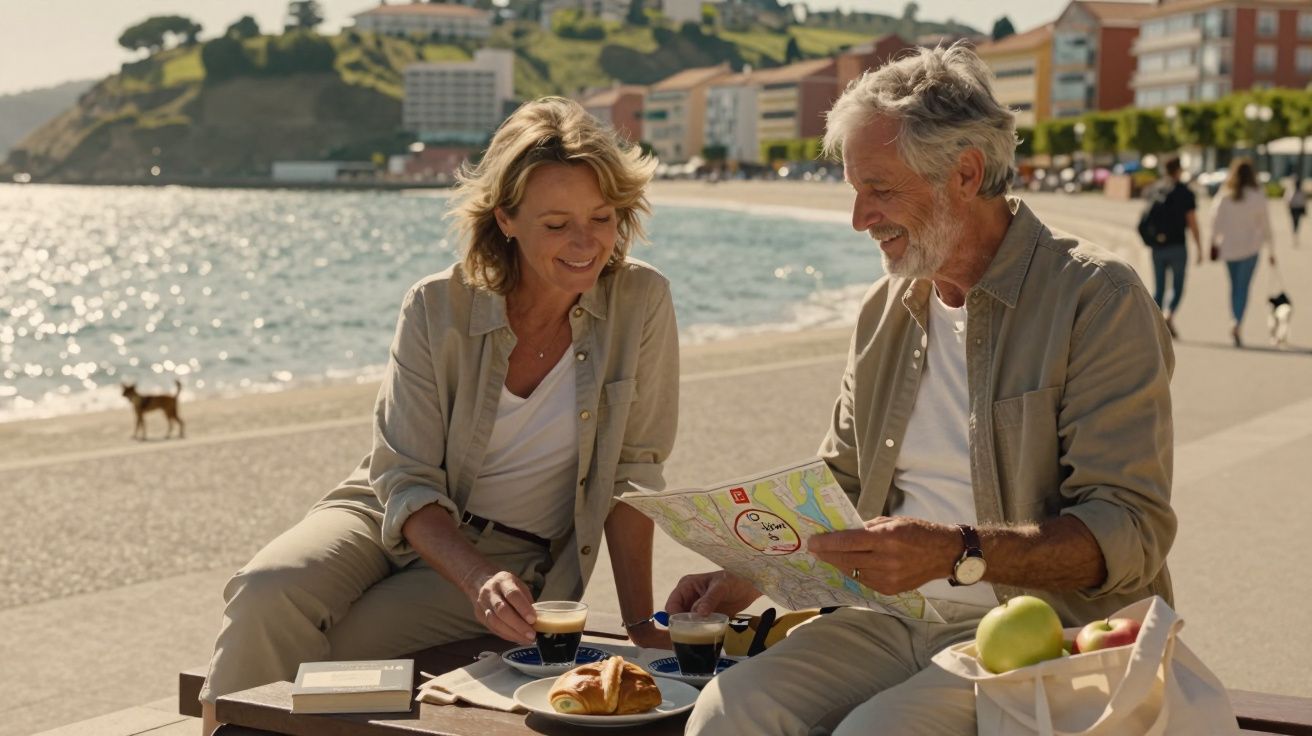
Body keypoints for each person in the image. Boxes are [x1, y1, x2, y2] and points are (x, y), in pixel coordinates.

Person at [671, 45, 1176, 736]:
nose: (858, 217)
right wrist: (751, 571)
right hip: (888, 619)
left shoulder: (1097, 300)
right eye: (854, 189)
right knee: (725, 715)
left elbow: (1131, 530)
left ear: (965, 173)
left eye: (878, 189)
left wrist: (957, 551)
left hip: (1033, 631)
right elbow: (841, 481)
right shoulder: (886, 308)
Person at [198, 97, 678, 734]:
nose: (586, 243)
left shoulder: (642, 300)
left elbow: (633, 472)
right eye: (557, 223)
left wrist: (641, 624)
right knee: (267, 590)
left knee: (341, 655)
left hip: (514, 555)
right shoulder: (436, 305)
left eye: (602, 216)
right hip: (383, 511)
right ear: (506, 218)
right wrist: (473, 576)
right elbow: (405, 475)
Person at [1210, 158, 1276, 347]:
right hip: (1250, 249)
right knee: (1243, 287)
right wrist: (1271, 250)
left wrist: (1213, 242)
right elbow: (1266, 226)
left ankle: (1234, 318)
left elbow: (1215, 220)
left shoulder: (1225, 195)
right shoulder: (1257, 196)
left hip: (1229, 249)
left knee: (1234, 287)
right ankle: (1237, 322)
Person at [1145, 156, 1203, 338]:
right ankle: (1169, 315)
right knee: (1177, 286)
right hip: (1178, 246)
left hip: (1157, 247)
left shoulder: (1156, 190)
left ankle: (1155, 323)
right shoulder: (1185, 193)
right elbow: (1192, 222)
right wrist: (1199, 246)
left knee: (1159, 288)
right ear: (1179, 170)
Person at [1287, 175, 1306, 246]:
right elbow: (1288, 200)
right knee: (1295, 222)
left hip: (1297, 209)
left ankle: (1295, 235)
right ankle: (1295, 235)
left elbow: (1303, 201)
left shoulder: (1300, 191)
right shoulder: (1292, 191)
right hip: (1294, 209)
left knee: (1297, 223)